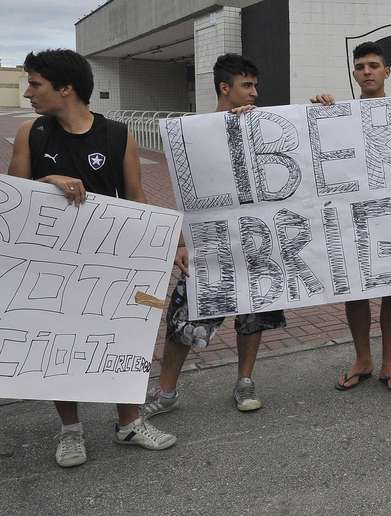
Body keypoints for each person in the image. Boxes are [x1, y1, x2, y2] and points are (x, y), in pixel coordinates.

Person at [8, 49, 176, 467]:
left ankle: (129, 423)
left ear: (66, 88)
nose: (28, 92)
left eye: (35, 84)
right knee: (57, 341)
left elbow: (137, 200)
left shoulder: (117, 134)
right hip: (49, 265)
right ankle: (70, 430)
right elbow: (11, 197)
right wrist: (48, 180)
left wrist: (164, 249)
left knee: (124, 337)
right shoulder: (33, 134)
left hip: (109, 263)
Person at [142, 54, 286, 418]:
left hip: (255, 239)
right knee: (183, 319)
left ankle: (244, 381)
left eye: (255, 85)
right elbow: (182, 189)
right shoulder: (194, 130)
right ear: (225, 88)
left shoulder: (261, 125)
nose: (255, 93)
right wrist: (180, 241)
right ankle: (167, 391)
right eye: (247, 86)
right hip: (210, 242)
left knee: (252, 315)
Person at [309, 42, 391, 395]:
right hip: (353, 217)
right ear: (354, 73)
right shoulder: (338, 113)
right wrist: (317, 112)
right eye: (361, 66)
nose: (367, 71)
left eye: (374, 65)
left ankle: (389, 363)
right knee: (355, 290)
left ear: (387, 72)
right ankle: (363, 359)